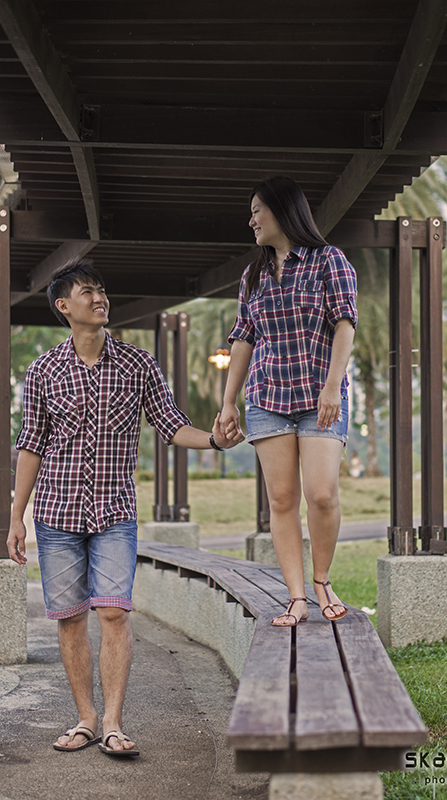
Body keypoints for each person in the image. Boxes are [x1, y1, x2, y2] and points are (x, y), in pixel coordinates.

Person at [7, 258, 244, 757]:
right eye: (88, 292)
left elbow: (171, 423)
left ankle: (113, 722)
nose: (100, 298)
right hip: (56, 514)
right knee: (70, 619)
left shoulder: (138, 365)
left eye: (102, 290)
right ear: (64, 307)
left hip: (114, 512)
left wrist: (216, 442)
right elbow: (30, 445)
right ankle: (86, 719)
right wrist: (16, 519)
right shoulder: (44, 369)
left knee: (113, 613)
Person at [220, 176, 357, 627]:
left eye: (258, 210)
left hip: (320, 395)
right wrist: (228, 403)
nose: (251, 219)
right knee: (281, 500)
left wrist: (333, 385)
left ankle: (322, 582)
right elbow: (243, 338)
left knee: (321, 494)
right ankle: (296, 597)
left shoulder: (328, 261)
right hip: (267, 397)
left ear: (283, 210)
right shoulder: (253, 275)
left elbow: (344, 324)